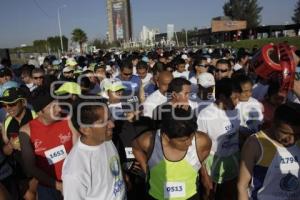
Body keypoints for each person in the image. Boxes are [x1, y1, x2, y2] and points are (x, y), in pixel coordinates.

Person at [133, 108, 212, 200]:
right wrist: (146, 168)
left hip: (190, 196)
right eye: (183, 140)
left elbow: (201, 161)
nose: (190, 143)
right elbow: (136, 147)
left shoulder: (202, 141)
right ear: (166, 137)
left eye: (191, 137)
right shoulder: (149, 141)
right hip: (156, 197)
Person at [19, 88, 78, 199]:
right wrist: (58, 186)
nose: (59, 109)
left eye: (58, 104)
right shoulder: (26, 131)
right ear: (40, 112)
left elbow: (80, 150)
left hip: (74, 183)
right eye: (53, 107)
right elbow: (30, 167)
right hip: (48, 188)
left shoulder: (68, 118)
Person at [62, 97, 126, 200]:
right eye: (103, 122)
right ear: (85, 129)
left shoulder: (106, 139)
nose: (112, 125)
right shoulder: (75, 171)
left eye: (110, 118)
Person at [238, 103, 300, 200]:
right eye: (285, 133)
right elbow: (242, 186)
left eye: (297, 134)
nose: (291, 140)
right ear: (273, 123)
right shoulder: (255, 144)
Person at [197, 78, 241, 200]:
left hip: (233, 159)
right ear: (222, 96)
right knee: (210, 193)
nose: (238, 102)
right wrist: (204, 174)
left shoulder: (237, 111)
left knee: (230, 193)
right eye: (234, 98)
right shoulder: (205, 115)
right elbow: (198, 147)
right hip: (212, 162)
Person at [1, 87, 37, 199]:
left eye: (12, 104)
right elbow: (5, 151)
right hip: (19, 172)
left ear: (23, 102)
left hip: (39, 168)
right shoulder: (7, 122)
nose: (8, 108)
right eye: (4, 105)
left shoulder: (35, 116)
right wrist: (10, 146)